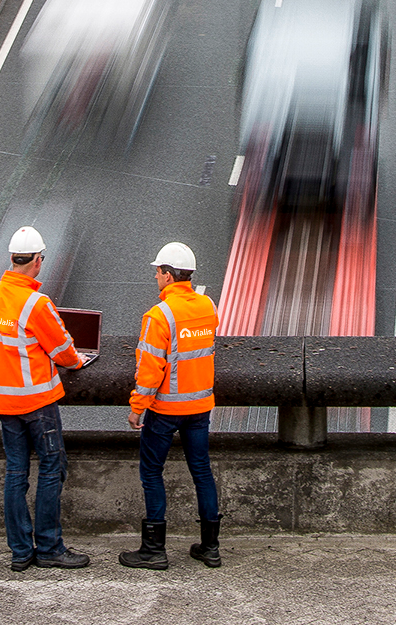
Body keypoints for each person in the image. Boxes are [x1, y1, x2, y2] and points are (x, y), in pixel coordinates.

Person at [0, 225, 91, 572]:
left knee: (15, 472)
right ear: (38, 261)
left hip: (1, 399)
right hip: (36, 401)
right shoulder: (35, 302)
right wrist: (78, 361)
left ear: (13, 258)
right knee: (51, 467)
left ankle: (19, 551)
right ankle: (49, 546)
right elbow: (62, 350)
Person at [119, 241, 220, 570]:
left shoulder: (158, 316)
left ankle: (154, 549)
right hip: (200, 407)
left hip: (164, 411)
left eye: (158, 272)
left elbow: (149, 370)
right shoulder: (208, 307)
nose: (155, 277)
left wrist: (137, 407)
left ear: (168, 276)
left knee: (151, 473)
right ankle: (210, 546)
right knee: (202, 473)